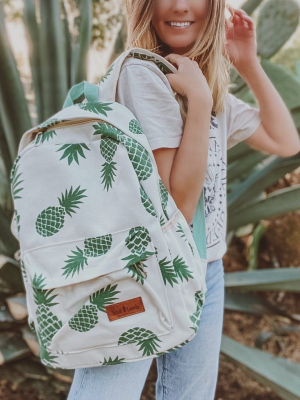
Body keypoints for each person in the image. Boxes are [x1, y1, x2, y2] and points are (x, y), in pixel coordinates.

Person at [67, 1, 300, 399]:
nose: (179, 6)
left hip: (204, 269)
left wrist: (248, 65)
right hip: (141, 273)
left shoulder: (199, 82)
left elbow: (285, 141)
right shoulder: (143, 75)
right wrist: (201, 104)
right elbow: (178, 205)